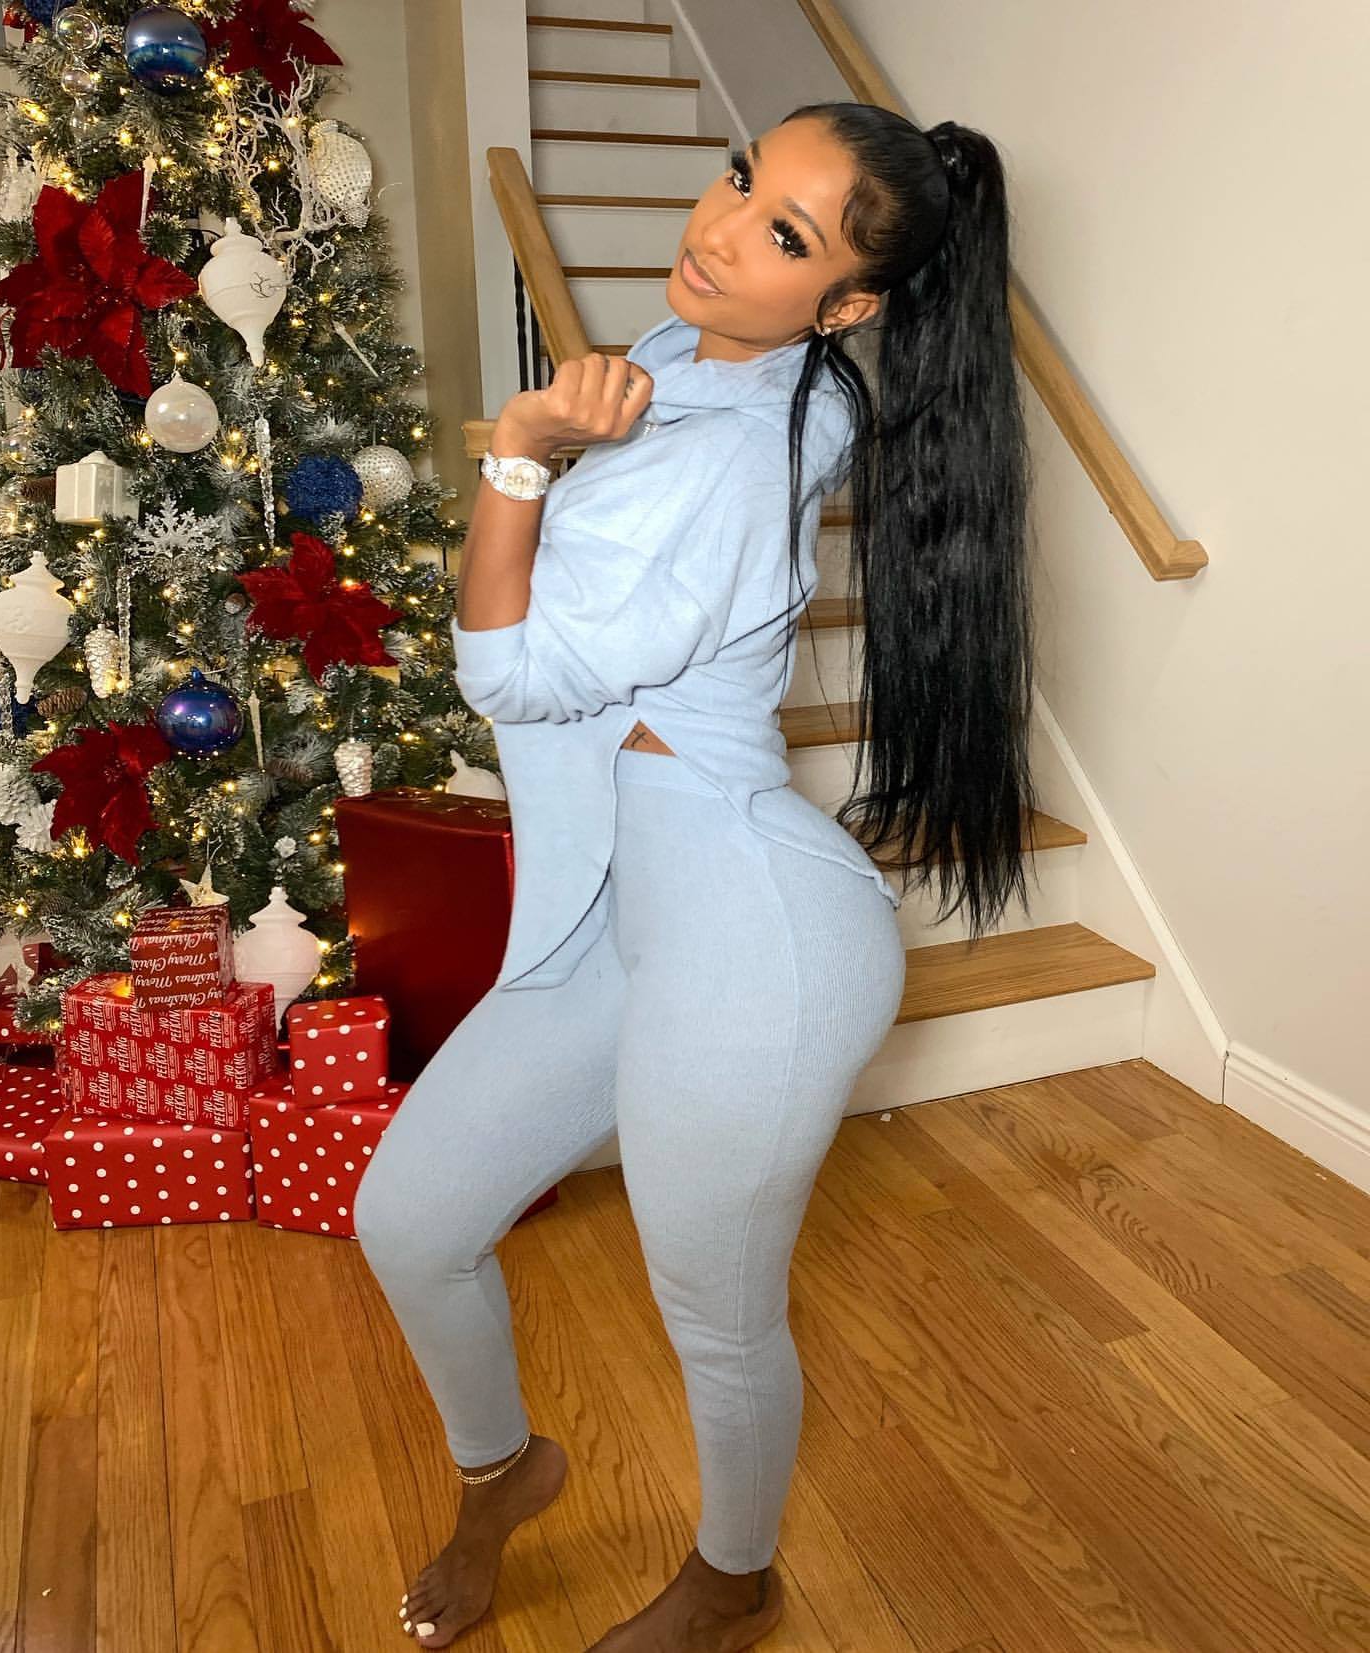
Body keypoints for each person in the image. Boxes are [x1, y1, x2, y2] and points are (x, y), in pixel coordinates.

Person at [353, 100, 1035, 1650]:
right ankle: (505, 1469)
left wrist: (520, 459)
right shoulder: (727, 363)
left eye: (784, 235)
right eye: (740, 179)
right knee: (413, 1221)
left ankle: (734, 1580)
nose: (720, 231)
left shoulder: (727, 450)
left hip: (751, 936)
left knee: (713, 1314)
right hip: (622, 904)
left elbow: (507, 673)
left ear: (845, 306)